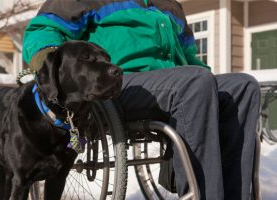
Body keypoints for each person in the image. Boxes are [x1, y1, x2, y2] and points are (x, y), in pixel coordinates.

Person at [22, 0, 261, 199]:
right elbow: (41, 31)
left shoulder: (171, 6)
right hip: (119, 84)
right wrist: (51, 76)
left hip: (177, 83)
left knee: (243, 85)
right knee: (195, 81)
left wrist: (212, 88)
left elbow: (191, 59)